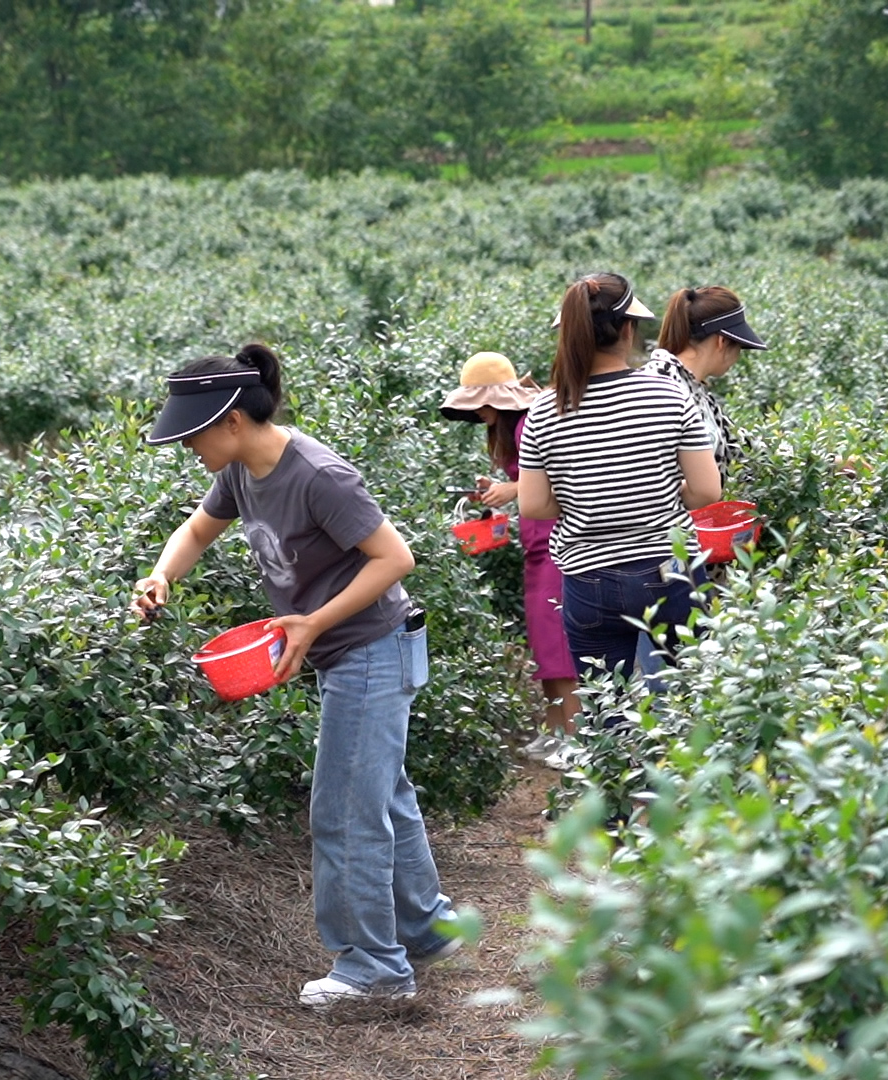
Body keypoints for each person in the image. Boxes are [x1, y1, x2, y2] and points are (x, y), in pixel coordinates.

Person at [131, 344, 461, 1008]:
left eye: (192, 432)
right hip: (353, 653)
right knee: (383, 796)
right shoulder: (240, 472)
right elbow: (196, 531)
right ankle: (427, 931)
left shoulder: (316, 475)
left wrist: (311, 622)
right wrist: (161, 575)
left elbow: (396, 558)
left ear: (230, 420)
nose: (187, 445)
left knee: (344, 810)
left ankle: (372, 967)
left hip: (374, 647)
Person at [515, 272, 722, 700]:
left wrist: (585, 501)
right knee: (691, 701)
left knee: (610, 713)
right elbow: (707, 491)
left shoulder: (544, 410)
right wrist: (658, 492)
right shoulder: (668, 394)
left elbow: (532, 505)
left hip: (588, 580)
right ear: (628, 329)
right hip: (669, 570)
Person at [439, 351, 581, 766]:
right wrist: (499, 486)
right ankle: (554, 730)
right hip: (538, 544)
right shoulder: (510, 427)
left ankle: (573, 738)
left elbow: (557, 472)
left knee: (558, 642)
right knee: (544, 640)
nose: (478, 411)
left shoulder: (529, 423)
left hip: (557, 542)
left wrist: (512, 489)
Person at [641, 286, 768, 490]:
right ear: (722, 341)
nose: (737, 357)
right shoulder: (667, 388)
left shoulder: (694, 389)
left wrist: (822, 461)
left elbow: (745, 449)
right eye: (739, 347)